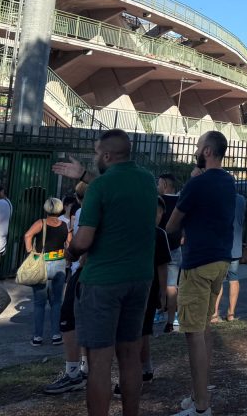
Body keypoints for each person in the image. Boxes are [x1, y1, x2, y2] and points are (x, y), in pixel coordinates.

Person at [57, 129, 157, 416]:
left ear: (107, 155)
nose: (95, 156)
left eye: (97, 152)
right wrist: (84, 174)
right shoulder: (147, 180)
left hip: (102, 281)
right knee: (130, 357)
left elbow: (85, 239)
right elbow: (117, 188)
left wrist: (71, 251)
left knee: (99, 362)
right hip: (140, 277)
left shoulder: (99, 189)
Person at [164, 130, 236, 416]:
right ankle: (199, 394)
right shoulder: (228, 181)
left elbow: (172, 223)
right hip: (220, 258)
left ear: (207, 151)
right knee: (204, 325)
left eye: (197, 145)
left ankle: (202, 405)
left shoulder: (198, 184)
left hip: (198, 261)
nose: (195, 149)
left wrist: (192, 184)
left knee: (192, 331)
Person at [113, 195, 171, 396]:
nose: (153, 215)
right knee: (137, 332)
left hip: (149, 289)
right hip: (130, 287)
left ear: (162, 214)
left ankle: (134, 375)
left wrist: (163, 293)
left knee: (139, 333)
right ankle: (144, 369)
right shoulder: (131, 232)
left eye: (158, 212)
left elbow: (163, 266)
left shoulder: (159, 234)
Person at [43, 181, 90, 395]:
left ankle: (73, 373)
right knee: (87, 321)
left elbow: (81, 243)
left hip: (85, 270)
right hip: (107, 272)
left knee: (68, 319)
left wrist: (72, 256)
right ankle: (86, 368)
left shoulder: (85, 212)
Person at [24, 197, 71, 346]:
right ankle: (56, 335)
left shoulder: (41, 223)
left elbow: (27, 235)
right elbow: (69, 243)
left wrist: (31, 252)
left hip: (41, 263)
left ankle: (37, 337)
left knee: (39, 303)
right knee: (56, 302)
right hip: (59, 264)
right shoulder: (65, 225)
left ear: (46, 209)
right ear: (60, 209)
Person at [212, 189, 246, 322]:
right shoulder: (241, 199)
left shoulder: (218, 199)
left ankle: (214, 314)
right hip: (235, 244)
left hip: (221, 245)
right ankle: (231, 313)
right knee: (234, 278)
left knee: (218, 280)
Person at [157, 173, 183, 333]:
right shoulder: (181, 202)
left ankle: (158, 311)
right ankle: (172, 319)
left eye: (159, 184)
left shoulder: (159, 202)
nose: (157, 187)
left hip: (160, 247)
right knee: (172, 285)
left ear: (165, 185)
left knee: (158, 283)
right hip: (175, 247)